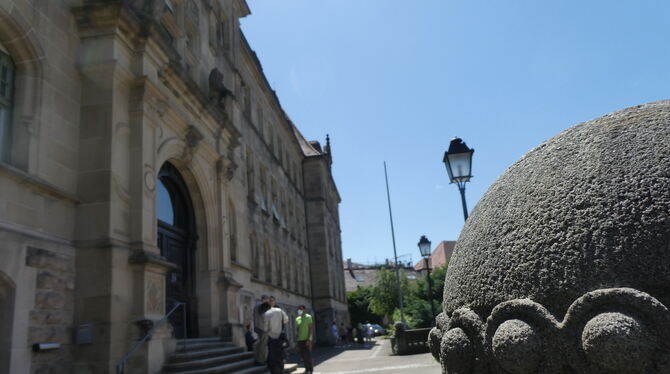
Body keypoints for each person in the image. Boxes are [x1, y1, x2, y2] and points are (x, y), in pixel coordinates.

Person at [264, 296, 289, 374]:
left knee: (272, 358)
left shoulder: (267, 313)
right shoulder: (280, 311)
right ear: (274, 302)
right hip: (280, 337)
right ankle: (281, 370)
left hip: (271, 338)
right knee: (280, 357)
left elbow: (265, 326)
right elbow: (286, 320)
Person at [295, 305, 314, 374]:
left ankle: (310, 369)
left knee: (308, 355)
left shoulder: (308, 317)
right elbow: (297, 330)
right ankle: (306, 369)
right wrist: (296, 341)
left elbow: (310, 329)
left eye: (301, 309)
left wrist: (309, 339)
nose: (299, 310)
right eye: (299, 309)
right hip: (300, 340)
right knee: (302, 356)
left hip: (306, 339)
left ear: (304, 310)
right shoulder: (297, 319)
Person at [253, 295, 271, 365]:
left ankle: (257, 359)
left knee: (258, 344)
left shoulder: (255, 307)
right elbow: (264, 317)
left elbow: (255, 317)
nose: (268, 301)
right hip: (264, 328)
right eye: (267, 300)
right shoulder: (263, 306)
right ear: (264, 299)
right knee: (263, 345)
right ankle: (261, 360)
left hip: (257, 327)